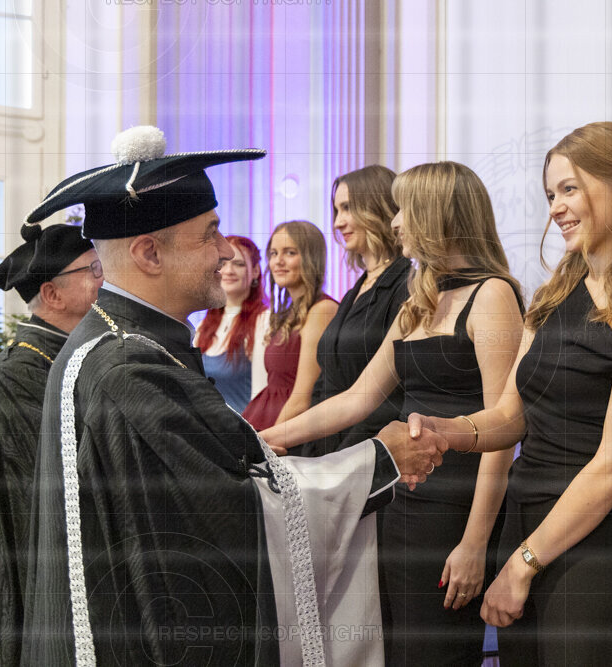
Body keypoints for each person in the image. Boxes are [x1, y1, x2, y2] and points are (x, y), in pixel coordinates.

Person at [20, 126, 446, 666]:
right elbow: (231, 514)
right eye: (211, 233)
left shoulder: (123, 344)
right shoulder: (128, 366)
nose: (226, 251)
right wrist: (379, 461)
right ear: (149, 253)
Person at [407, 122, 612, 665]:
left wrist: (522, 565)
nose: (556, 208)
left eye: (569, 189)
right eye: (550, 194)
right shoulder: (556, 291)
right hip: (526, 523)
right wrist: (448, 431)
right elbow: (510, 417)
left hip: (595, 548)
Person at [263, 161, 525, 665]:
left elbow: (503, 430)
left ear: (437, 213)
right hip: (399, 497)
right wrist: (273, 435)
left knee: (436, 653)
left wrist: (474, 543)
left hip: (455, 510)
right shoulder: (419, 299)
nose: (396, 221)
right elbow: (357, 398)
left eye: (404, 209)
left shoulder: (492, 294)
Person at [0, 224, 101, 666]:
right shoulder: (16, 373)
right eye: (93, 270)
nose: (105, 279)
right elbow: (39, 495)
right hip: (36, 562)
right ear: (53, 294)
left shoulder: (71, 353)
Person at [303, 165, 411, 457]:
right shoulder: (356, 289)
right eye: (337, 210)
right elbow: (327, 381)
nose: (338, 222)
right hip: (327, 446)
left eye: (348, 208)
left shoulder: (407, 284)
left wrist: (342, 459)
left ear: (378, 207)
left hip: (365, 452)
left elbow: (390, 394)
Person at [242, 221, 338, 430]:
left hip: (287, 430)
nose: (278, 261)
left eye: (290, 252)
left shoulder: (322, 310)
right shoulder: (287, 314)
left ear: (311, 257)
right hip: (266, 419)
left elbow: (302, 399)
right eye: (274, 253)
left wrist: (268, 442)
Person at [195, 235, 269, 413]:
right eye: (223, 263)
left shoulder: (264, 321)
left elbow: (262, 396)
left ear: (255, 271)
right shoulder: (202, 327)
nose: (228, 271)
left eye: (239, 264)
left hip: (244, 427)